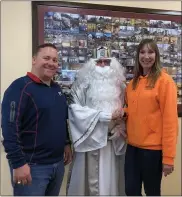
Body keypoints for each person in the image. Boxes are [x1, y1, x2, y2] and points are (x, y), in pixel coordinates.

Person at [1, 43, 72, 196]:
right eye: (46, 58)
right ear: (34, 60)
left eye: (54, 60)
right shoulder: (20, 88)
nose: (51, 63)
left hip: (57, 164)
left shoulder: (56, 89)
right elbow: (9, 129)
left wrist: (66, 143)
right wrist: (18, 164)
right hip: (32, 167)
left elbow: (60, 120)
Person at [121, 39, 178, 196]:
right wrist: (122, 115)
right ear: (138, 55)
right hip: (132, 148)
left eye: (150, 52)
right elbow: (132, 111)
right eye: (142, 52)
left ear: (156, 55)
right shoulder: (132, 84)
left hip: (152, 151)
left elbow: (170, 123)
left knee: (152, 192)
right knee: (130, 191)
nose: (146, 56)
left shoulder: (165, 82)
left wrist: (168, 158)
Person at [66, 55, 127, 195]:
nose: (103, 64)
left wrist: (120, 127)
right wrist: (103, 117)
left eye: (107, 61)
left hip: (114, 144)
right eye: (99, 62)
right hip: (90, 143)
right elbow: (74, 110)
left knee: (114, 182)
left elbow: (129, 111)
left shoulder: (122, 87)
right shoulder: (81, 86)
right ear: (91, 64)